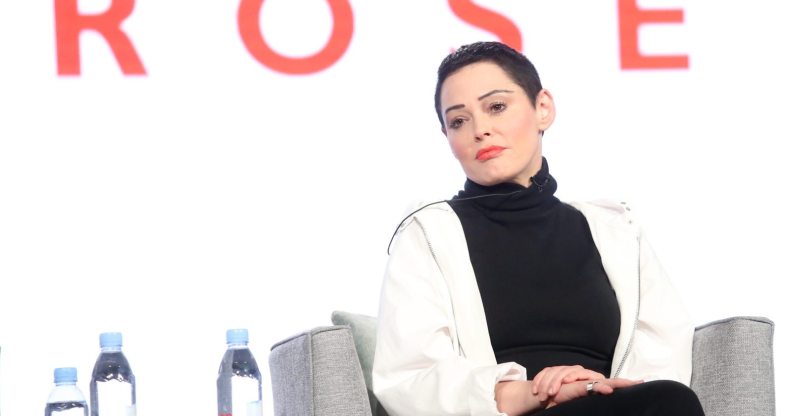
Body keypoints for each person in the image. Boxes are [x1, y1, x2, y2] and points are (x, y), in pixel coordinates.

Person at [372, 41, 705, 416]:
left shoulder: (616, 230)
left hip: (613, 409)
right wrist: (535, 392)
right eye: (458, 121)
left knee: (670, 401)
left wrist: (590, 388)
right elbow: (411, 378)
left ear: (542, 108)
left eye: (496, 107)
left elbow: (664, 352)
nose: (480, 130)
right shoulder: (428, 234)